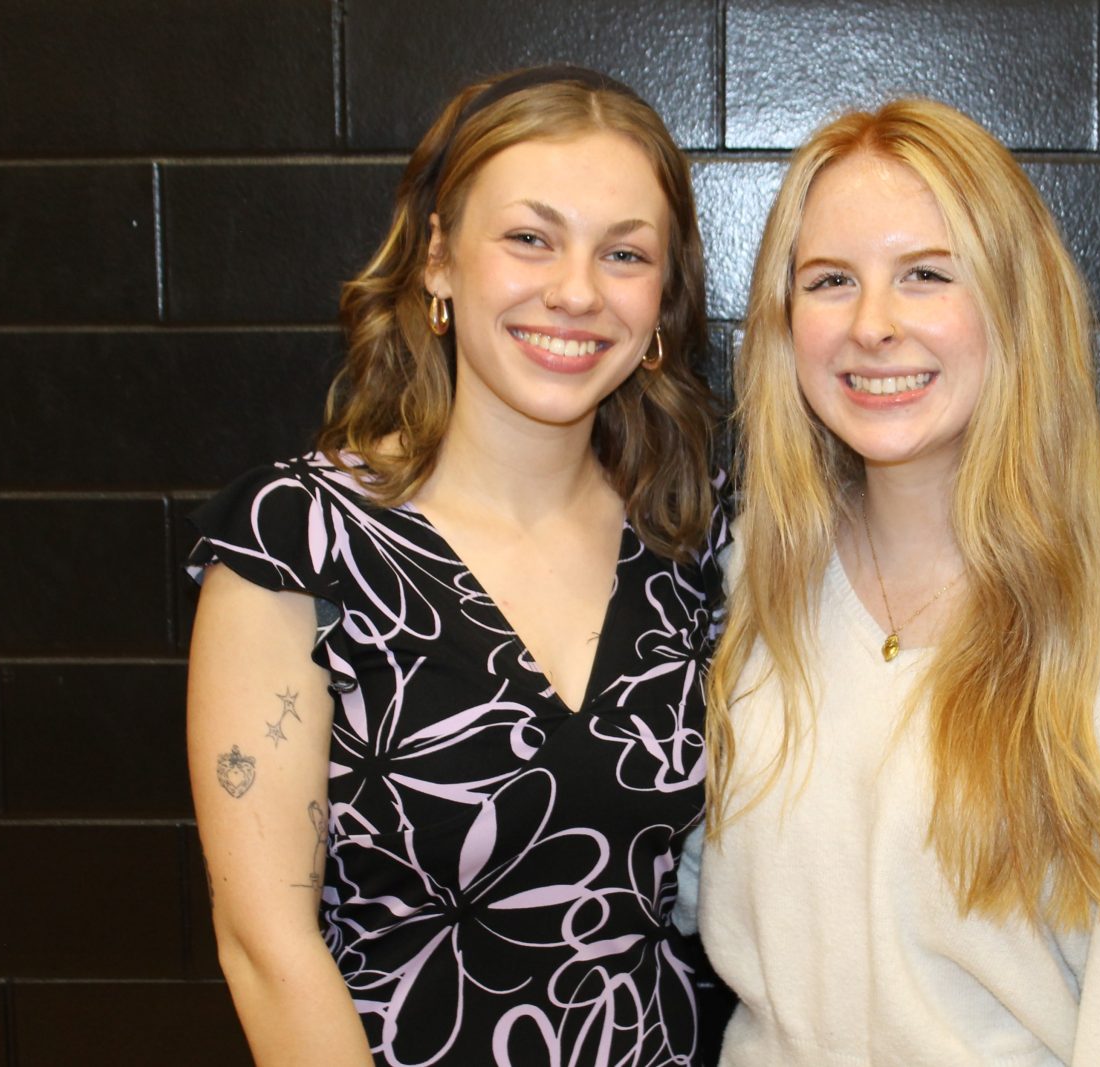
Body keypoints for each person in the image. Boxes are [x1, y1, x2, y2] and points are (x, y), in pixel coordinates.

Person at [696, 99, 1100, 1065]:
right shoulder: (743, 583)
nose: (873, 325)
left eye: (925, 274)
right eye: (831, 280)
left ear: (1011, 305)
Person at [186, 66, 726, 1067]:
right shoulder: (301, 539)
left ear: (662, 300)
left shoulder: (692, 536)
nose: (575, 290)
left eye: (624, 253)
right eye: (530, 237)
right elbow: (266, 946)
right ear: (438, 259)